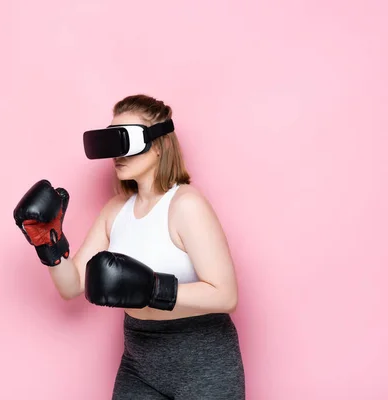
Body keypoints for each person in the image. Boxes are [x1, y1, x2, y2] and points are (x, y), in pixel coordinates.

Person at [13, 94, 245, 399]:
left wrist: (151, 289)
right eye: (111, 143)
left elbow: (226, 295)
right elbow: (72, 287)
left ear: (159, 145)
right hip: (140, 360)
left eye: (126, 141)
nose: (116, 155)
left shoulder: (186, 204)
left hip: (203, 359)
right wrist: (49, 245)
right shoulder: (115, 211)